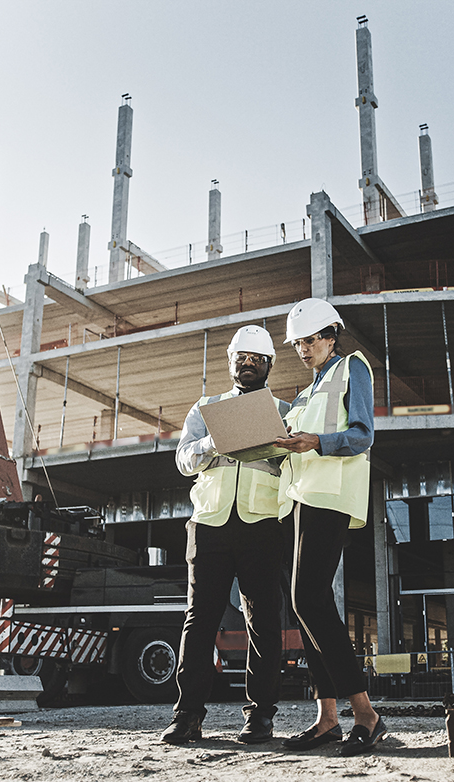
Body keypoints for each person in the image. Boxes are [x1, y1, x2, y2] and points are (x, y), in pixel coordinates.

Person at [161, 325, 288, 745]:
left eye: (256, 358)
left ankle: (260, 717)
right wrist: (216, 441)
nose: (248, 363)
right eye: (241, 357)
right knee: (199, 623)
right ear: (230, 361)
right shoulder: (205, 408)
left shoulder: (286, 410)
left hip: (263, 525)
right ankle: (187, 716)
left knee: (264, 622)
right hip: (210, 524)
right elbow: (183, 461)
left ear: (269, 364)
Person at [274, 298, 387, 757]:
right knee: (306, 605)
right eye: (297, 342)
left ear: (330, 335)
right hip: (300, 500)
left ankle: (366, 714)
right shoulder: (305, 392)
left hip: (330, 497)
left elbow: (363, 435)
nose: (303, 348)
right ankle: (327, 719)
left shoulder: (352, 368)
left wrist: (316, 441)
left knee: (308, 599)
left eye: (310, 339)